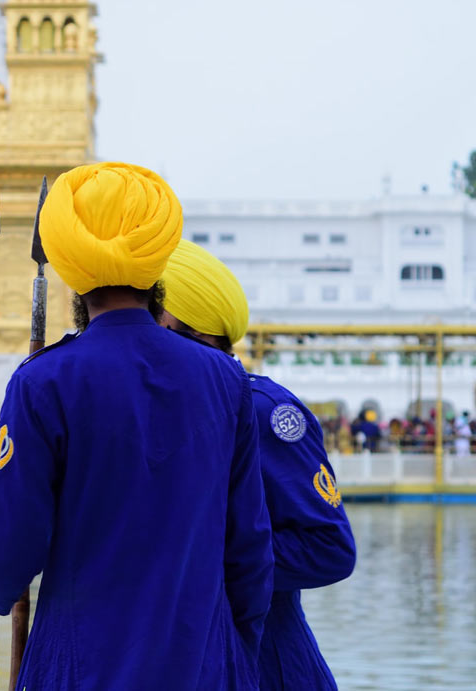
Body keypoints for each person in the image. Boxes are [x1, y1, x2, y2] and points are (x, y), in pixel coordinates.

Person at [0, 162, 272, 689]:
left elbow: (11, 562)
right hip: (206, 666)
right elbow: (250, 551)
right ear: (158, 259)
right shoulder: (224, 378)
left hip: (82, 669)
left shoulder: (45, 381)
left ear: (70, 268)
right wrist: (232, 659)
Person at [159, 238, 357, 691]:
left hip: (266, 664)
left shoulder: (262, 410)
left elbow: (329, 548)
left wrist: (201, 557)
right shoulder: (150, 406)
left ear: (167, 325)